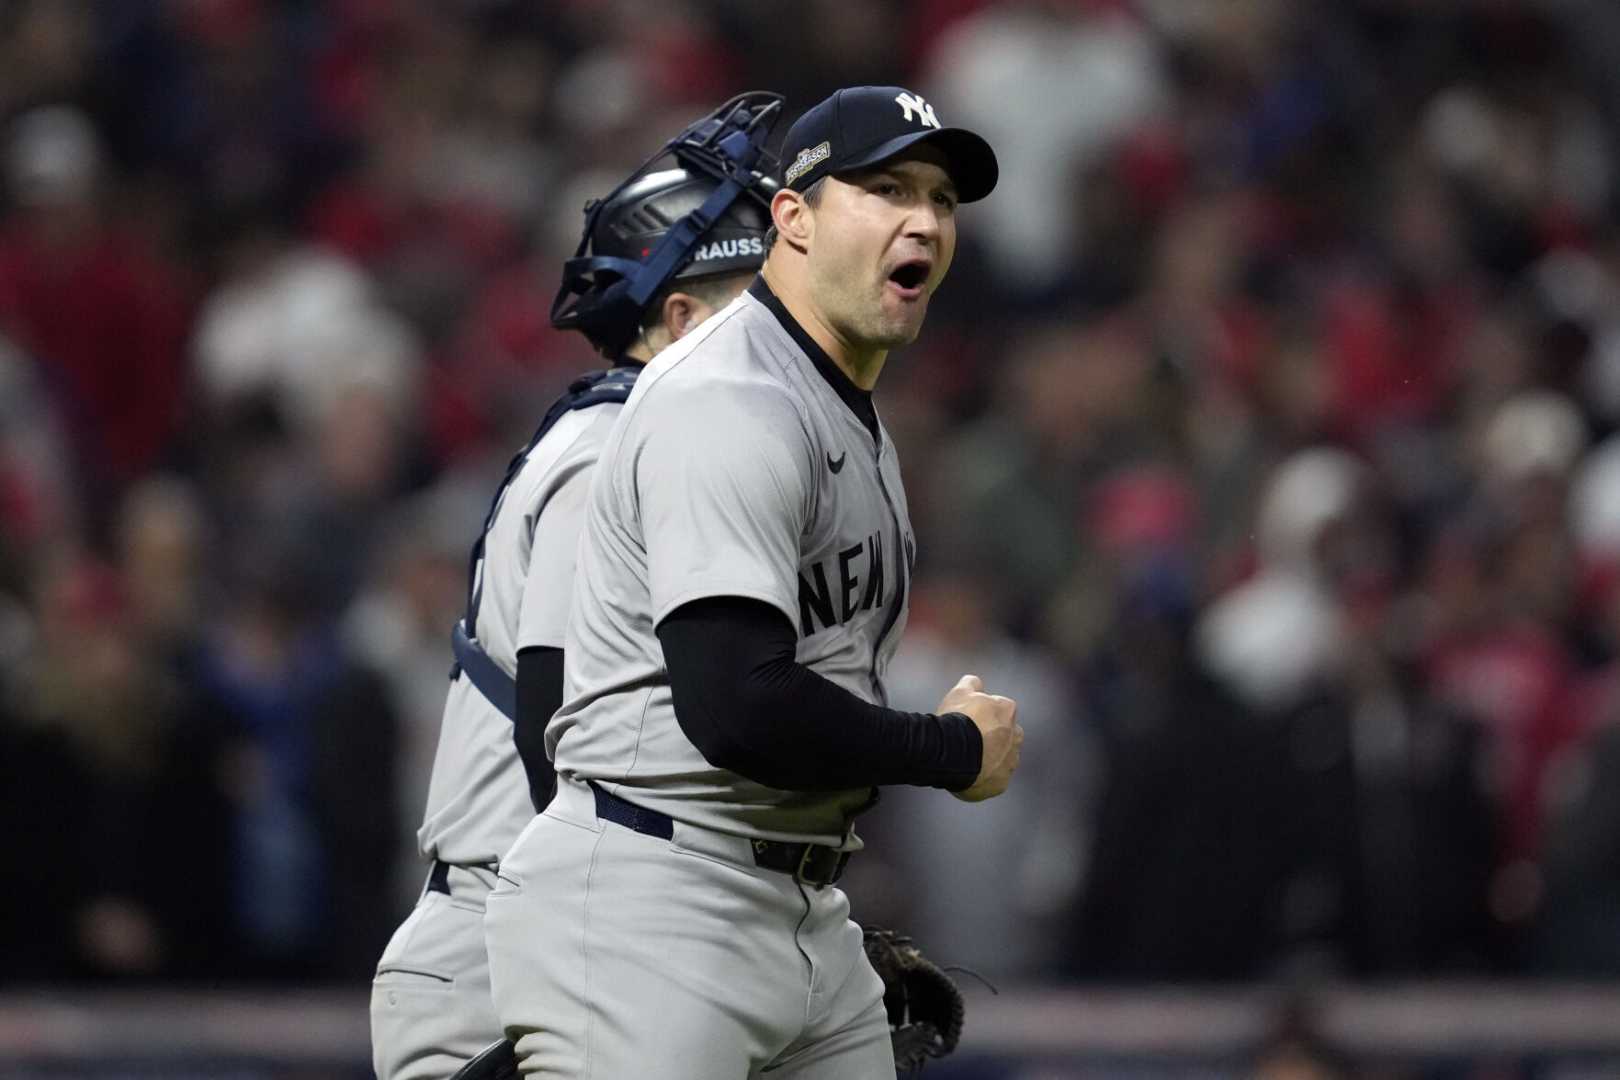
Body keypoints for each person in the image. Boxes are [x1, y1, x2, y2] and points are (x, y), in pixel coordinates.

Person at [484, 85, 1020, 1078]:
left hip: (784, 898)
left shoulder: (842, 406)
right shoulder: (728, 396)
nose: (924, 220)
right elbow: (736, 704)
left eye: (942, 200)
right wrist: (947, 750)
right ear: (793, 216)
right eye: (887, 188)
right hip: (652, 893)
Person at [369, 93, 785, 1080]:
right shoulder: (608, 455)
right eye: (762, 298)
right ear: (679, 319)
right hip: (508, 963)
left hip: (608, 941)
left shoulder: (709, 469)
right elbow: (555, 738)